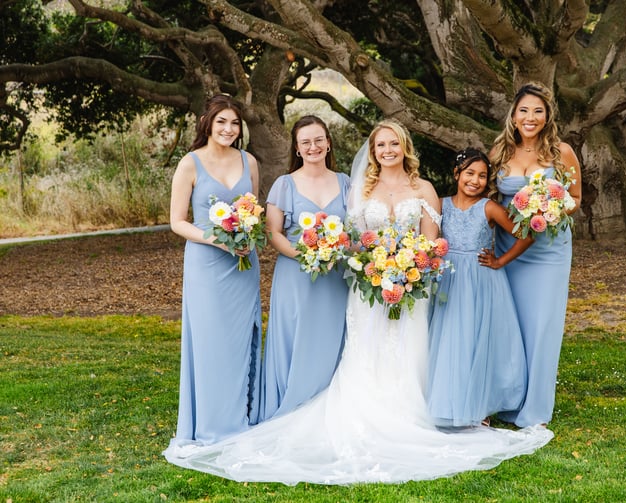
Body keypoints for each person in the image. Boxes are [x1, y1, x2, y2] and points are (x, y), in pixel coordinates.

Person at [162, 120, 553, 485]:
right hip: (369, 288)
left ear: (405, 147)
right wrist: (376, 269)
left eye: (393, 144)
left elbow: (434, 241)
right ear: (372, 149)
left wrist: (410, 268)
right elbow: (353, 239)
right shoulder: (360, 189)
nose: (387, 150)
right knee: (366, 354)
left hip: (412, 287)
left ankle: (414, 414)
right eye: (380, 144)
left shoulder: (424, 189)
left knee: (410, 351)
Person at [164, 94, 263, 450]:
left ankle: (242, 417)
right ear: (207, 122)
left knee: (240, 340)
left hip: (243, 264)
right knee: (210, 343)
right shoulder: (189, 165)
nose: (229, 129)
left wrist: (247, 233)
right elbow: (177, 222)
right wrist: (217, 240)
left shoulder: (248, 161)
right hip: (206, 265)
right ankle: (211, 424)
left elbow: (255, 209)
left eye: (235, 123)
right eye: (222, 121)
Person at [484, 81, 582, 428]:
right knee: (508, 324)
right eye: (524, 110)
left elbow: (576, 199)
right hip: (507, 248)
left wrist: (550, 210)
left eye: (538, 111)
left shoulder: (562, 153)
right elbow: (489, 199)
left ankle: (535, 410)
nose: (530, 117)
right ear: (513, 115)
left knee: (542, 326)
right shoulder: (499, 154)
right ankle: (504, 399)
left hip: (548, 252)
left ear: (548, 115)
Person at [427, 148, 533, 428]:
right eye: (469, 174)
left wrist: (500, 261)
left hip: (480, 281)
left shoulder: (489, 207)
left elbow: (526, 235)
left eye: (483, 176)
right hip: (448, 279)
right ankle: (449, 400)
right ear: (456, 174)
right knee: (450, 340)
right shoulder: (440, 204)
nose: (475, 180)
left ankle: (480, 404)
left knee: (476, 340)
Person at [257, 115, 350, 422]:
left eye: (318, 140)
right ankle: (292, 407)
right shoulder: (285, 184)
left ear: (328, 142)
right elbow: (274, 233)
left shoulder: (345, 182)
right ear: (297, 148)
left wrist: (334, 252)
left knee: (333, 337)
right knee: (296, 339)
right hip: (297, 276)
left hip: (335, 278)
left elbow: (354, 228)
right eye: (306, 142)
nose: (313, 147)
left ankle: (330, 409)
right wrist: (309, 255)